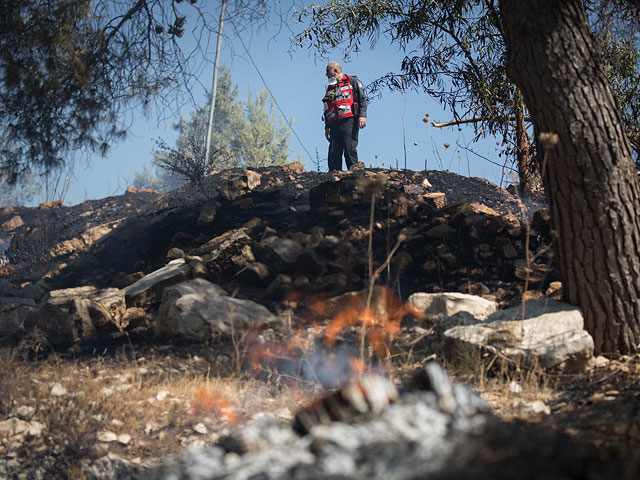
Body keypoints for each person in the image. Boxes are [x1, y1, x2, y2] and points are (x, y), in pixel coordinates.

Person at [322, 62, 368, 171]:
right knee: (334, 152)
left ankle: (355, 175)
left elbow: (362, 99)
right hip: (334, 124)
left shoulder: (353, 81)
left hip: (349, 121)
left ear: (336, 71)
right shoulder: (330, 88)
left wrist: (362, 116)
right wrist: (326, 127)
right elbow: (327, 108)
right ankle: (334, 177)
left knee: (349, 148)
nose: (326, 75)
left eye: (328, 72)